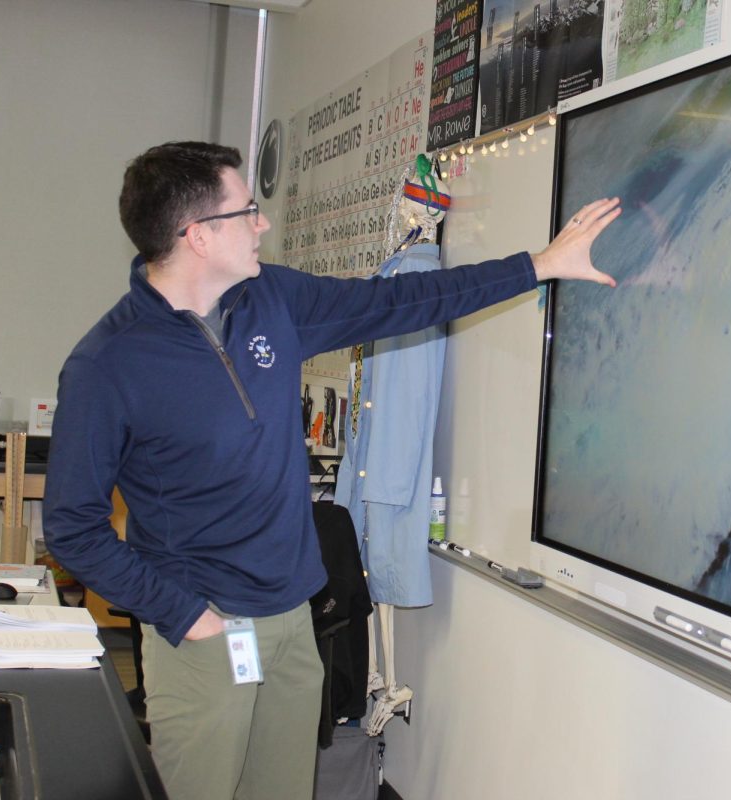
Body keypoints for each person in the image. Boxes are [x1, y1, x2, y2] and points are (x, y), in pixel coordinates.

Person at [42, 140, 619, 800]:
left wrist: (539, 265)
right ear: (198, 235)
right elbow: (72, 527)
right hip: (204, 632)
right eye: (247, 211)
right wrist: (184, 615)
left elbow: (402, 302)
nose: (262, 223)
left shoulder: (273, 299)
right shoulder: (108, 365)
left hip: (291, 619)